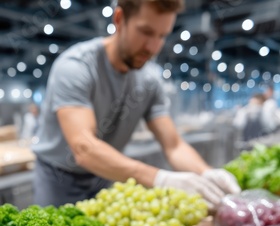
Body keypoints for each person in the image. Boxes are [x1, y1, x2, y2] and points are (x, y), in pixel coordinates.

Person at [33, 0, 240, 209]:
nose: (152, 47)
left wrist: (206, 173)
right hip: (58, 179)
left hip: (106, 173)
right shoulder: (77, 66)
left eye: (162, 36)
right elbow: (84, 148)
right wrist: (161, 179)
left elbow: (174, 145)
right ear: (119, 19)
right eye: (146, 32)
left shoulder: (150, 81)